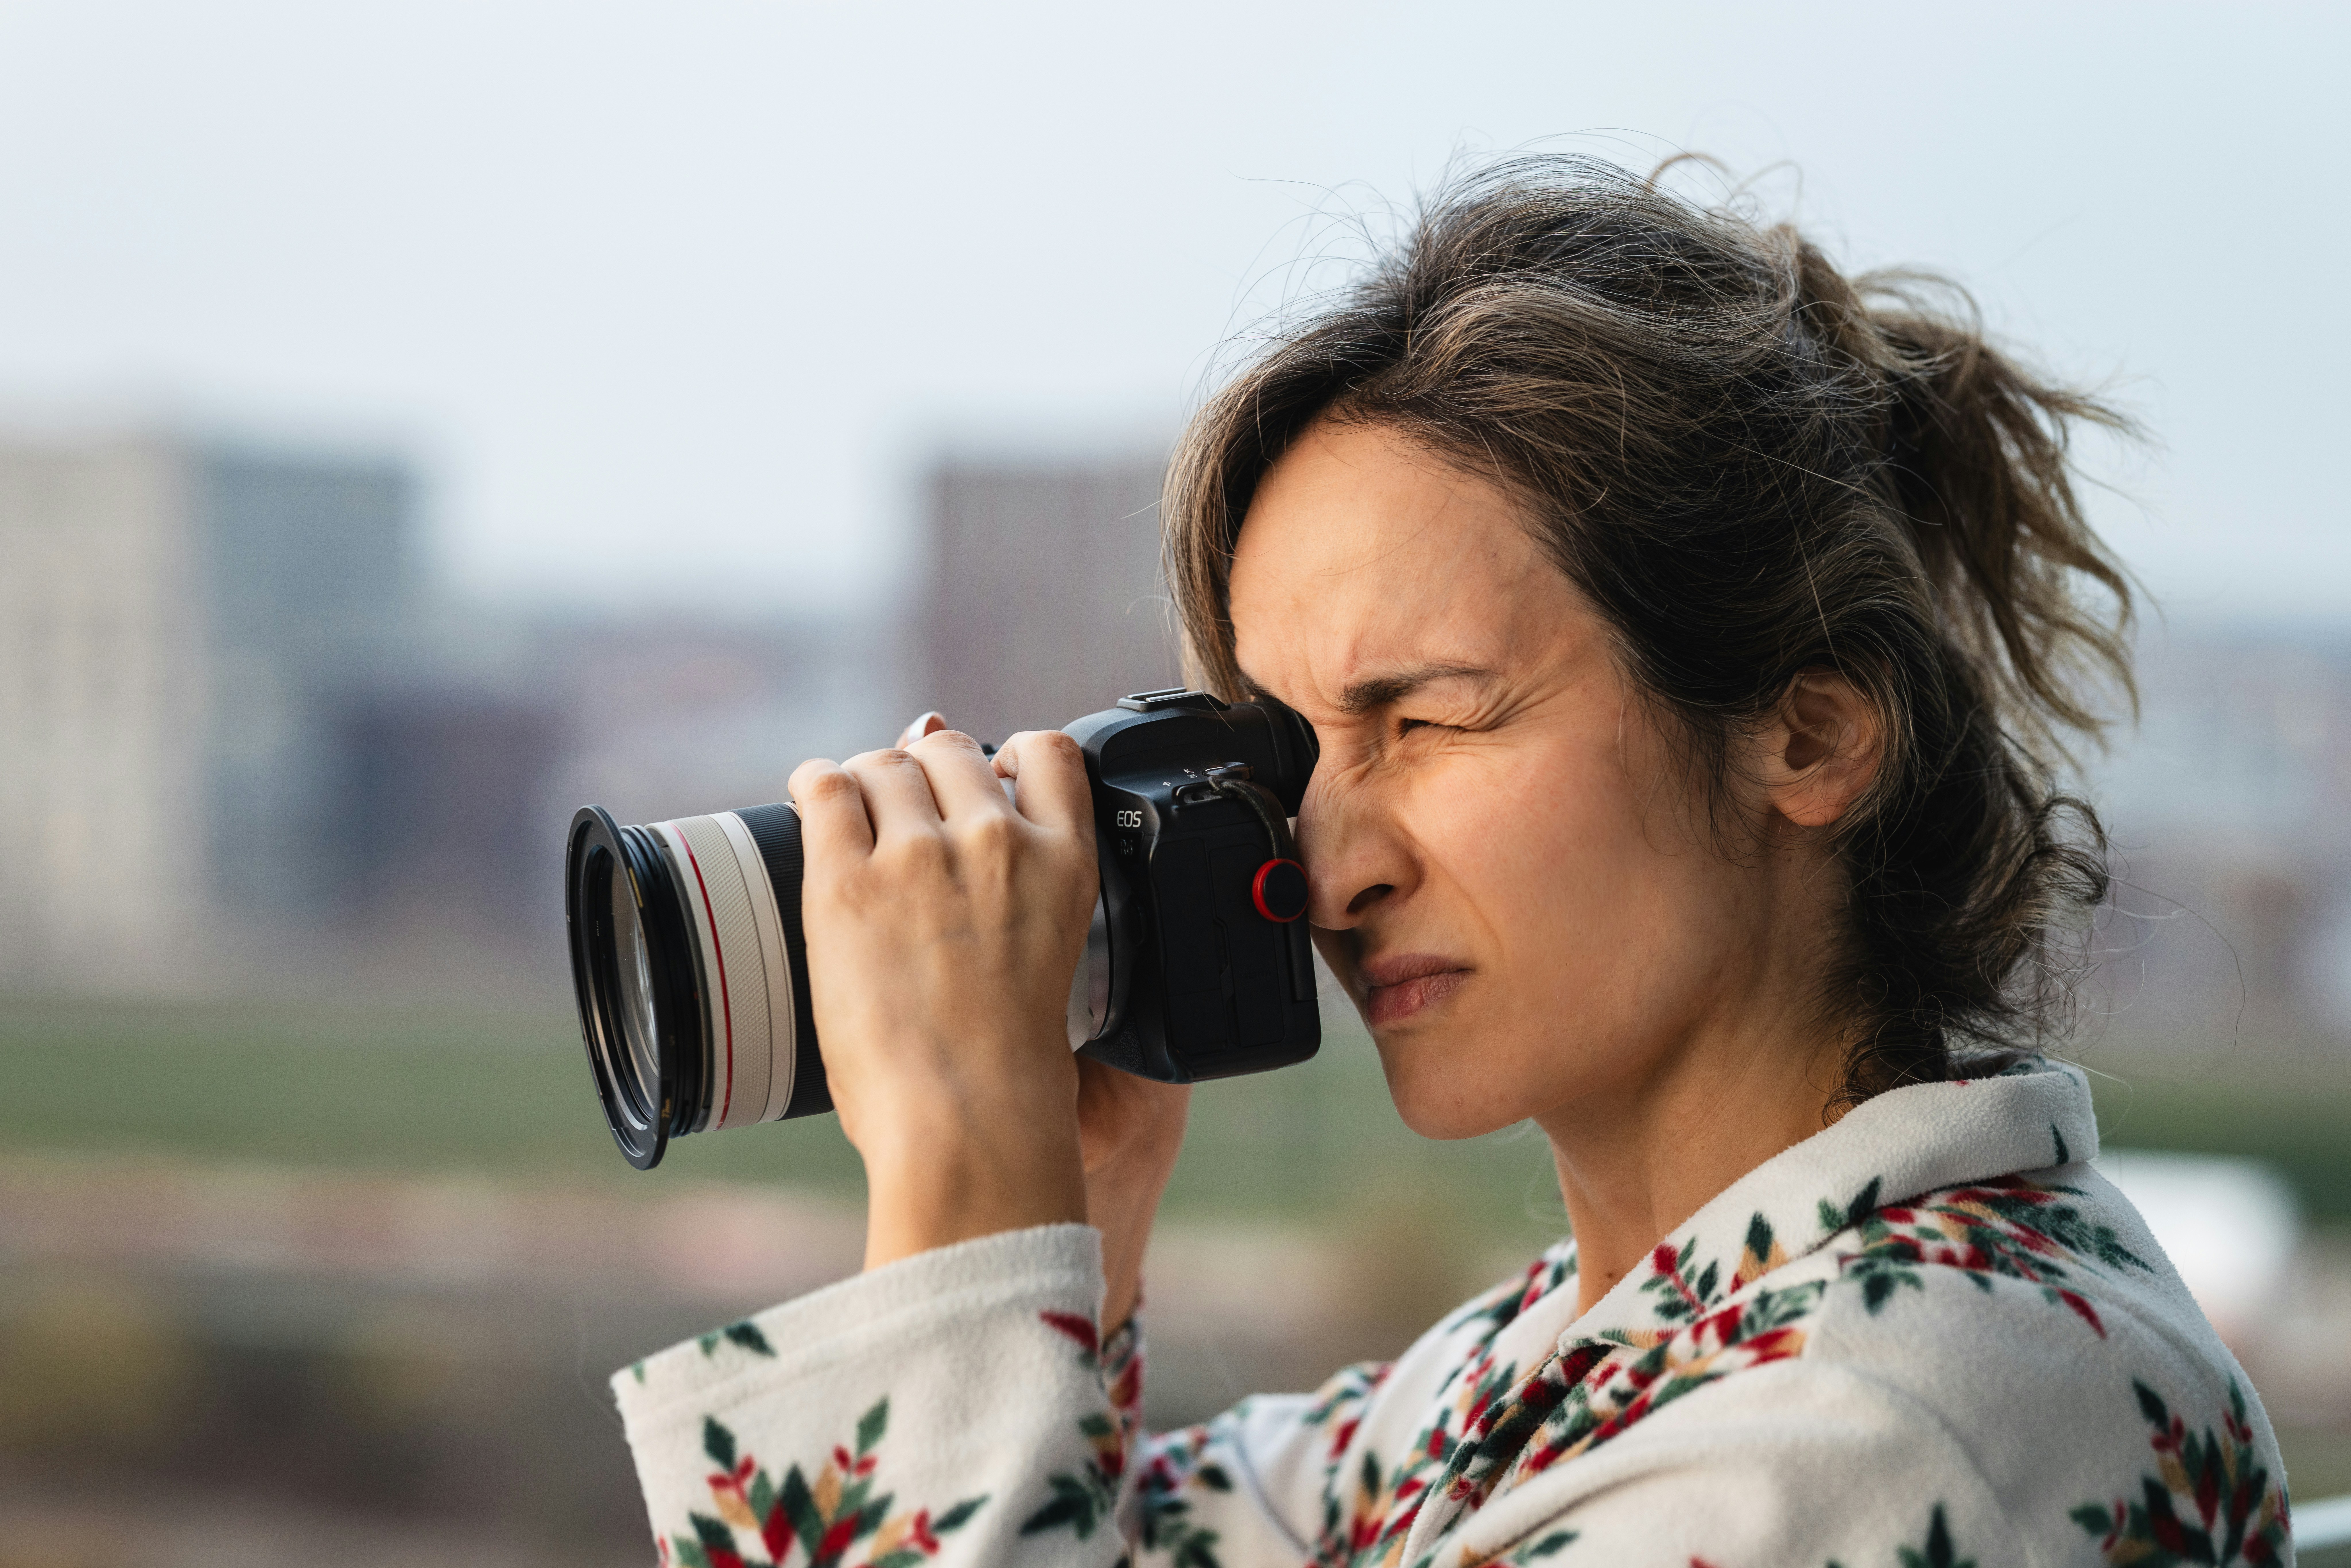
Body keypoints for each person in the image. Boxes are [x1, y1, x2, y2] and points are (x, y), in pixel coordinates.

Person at [608, 159, 2293, 1567]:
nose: (1328, 869)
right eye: (1288, 757)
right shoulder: (1594, 1352)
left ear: (1808, 734)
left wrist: (963, 1195)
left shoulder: (1882, 1427)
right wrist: (1067, 1208)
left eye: (1424, 719)